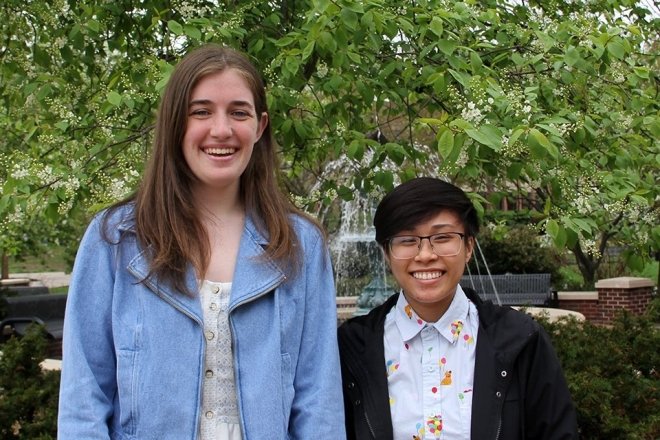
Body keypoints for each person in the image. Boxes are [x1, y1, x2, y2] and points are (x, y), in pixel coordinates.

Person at [58, 44, 346, 440]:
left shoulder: (301, 246)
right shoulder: (116, 240)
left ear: (260, 127)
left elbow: (319, 401)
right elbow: (83, 397)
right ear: (176, 123)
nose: (222, 129)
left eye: (239, 112)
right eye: (201, 111)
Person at [338, 177, 577, 440]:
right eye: (407, 240)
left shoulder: (520, 340)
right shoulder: (353, 347)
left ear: (468, 247)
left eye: (442, 237)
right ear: (386, 252)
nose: (425, 255)